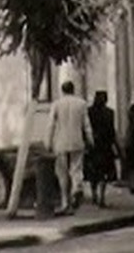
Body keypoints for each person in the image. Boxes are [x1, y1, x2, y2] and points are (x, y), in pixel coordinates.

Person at [46, 80, 93, 215]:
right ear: (73, 90)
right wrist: (90, 140)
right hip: (77, 141)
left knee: (62, 172)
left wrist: (48, 142)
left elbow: (51, 125)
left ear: (62, 90)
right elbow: (86, 124)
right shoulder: (81, 104)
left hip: (60, 142)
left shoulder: (56, 104)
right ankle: (76, 188)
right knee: (76, 168)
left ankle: (65, 201)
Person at [84, 91, 120, 207]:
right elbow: (112, 132)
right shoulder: (109, 113)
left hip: (93, 145)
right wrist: (117, 147)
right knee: (104, 173)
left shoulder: (89, 112)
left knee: (93, 172)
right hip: (105, 146)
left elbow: (85, 129)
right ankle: (102, 196)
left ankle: (94, 193)